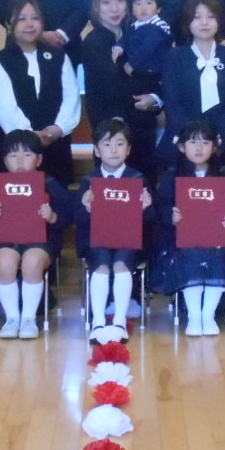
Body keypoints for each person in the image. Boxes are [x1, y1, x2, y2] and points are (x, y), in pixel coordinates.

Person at [0, 129, 71, 339]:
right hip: (7, 242)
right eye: (13, 155)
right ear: (5, 160)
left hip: (41, 242)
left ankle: (29, 318)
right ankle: (12, 318)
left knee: (32, 261)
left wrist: (52, 217)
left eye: (27, 154)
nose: (20, 160)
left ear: (39, 160)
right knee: (4, 262)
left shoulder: (49, 185)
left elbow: (68, 217)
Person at [155, 119, 225, 336]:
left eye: (205, 142)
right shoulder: (173, 175)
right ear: (182, 147)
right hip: (181, 237)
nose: (199, 147)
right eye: (193, 142)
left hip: (218, 237)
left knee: (221, 255)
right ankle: (194, 316)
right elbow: (161, 206)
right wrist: (171, 215)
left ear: (214, 146)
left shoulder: (224, 174)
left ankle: (208, 315)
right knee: (188, 254)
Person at [0, 0, 81, 183]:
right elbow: (3, 106)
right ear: (9, 24)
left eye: (35, 18)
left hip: (55, 143)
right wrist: (30, 135)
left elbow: (71, 96)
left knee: (57, 195)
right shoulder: (0, 60)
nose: (29, 24)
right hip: (17, 148)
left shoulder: (59, 56)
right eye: (21, 19)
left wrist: (59, 128)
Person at [76, 118, 155, 342]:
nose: (113, 150)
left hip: (128, 241)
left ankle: (119, 321)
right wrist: (86, 207)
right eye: (106, 144)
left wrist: (145, 208)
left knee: (121, 263)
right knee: (101, 264)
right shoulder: (89, 181)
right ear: (96, 150)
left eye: (119, 144)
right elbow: (77, 219)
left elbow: (152, 220)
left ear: (128, 149)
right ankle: (98, 322)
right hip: (97, 241)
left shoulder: (137, 179)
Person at [81, 0, 157, 175]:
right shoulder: (93, 41)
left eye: (120, 0)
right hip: (110, 125)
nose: (114, 8)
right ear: (96, 6)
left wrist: (155, 98)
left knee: (143, 183)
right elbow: (112, 85)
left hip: (140, 122)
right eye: (106, 2)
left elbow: (154, 74)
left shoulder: (136, 33)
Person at [155, 0, 225, 152]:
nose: (204, 22)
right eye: (197, 17)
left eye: (210, 17)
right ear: (188, 22)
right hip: (185, 143)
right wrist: (193, 140)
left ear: (219, 21)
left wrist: (216, 140)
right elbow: (173, 102)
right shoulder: (174, 57)